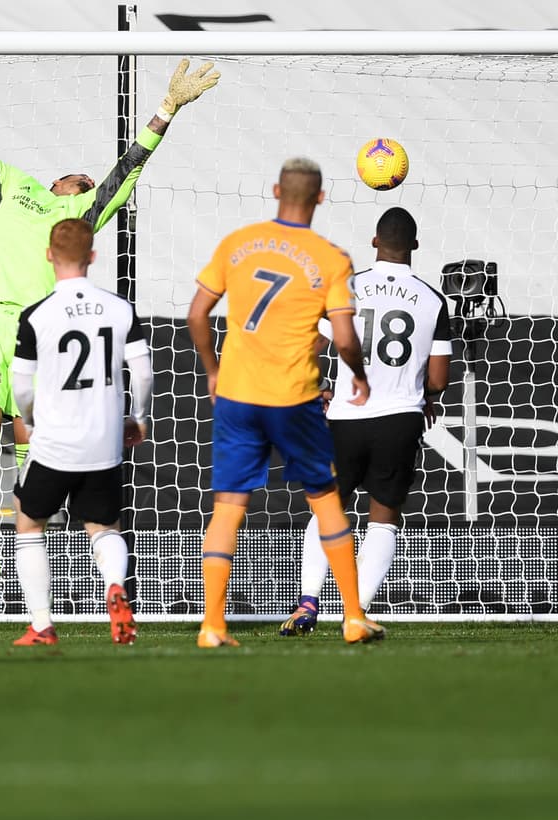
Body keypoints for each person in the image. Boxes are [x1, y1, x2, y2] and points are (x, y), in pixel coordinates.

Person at [0, 46, 218, 583]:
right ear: (58, 181)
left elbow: (128, 168)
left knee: (33, 445)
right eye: (82, 181)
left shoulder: (83, 213)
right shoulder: (15, 184)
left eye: (92, 189)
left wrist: (167, 108)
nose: (89, 187)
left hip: (36, 334)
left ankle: (30, 542)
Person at [186, 157, 386, 648]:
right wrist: (358, 375)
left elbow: (196, 313)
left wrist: (213, 371)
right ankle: (353, 618)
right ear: (320, 198)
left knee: (229, 507)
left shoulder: (237, 243)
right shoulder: (330, 257)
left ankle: (212, 626)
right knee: (326, 500)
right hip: (294, 398)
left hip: (236, 395)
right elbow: (343, 338)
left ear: (276, 190)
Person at [282, 207, 451, 634]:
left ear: (375, 242)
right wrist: (426, 396)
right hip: (399, 419)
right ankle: (354, 614)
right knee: (383, 518)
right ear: (414, 246)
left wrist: (315, 388)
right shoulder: (433, 299)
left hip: (346, 416)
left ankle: (307, 604)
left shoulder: (349, 287)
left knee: (329, 511)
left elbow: (313, 345)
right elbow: (437, 378)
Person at [9, 219, 152, 646]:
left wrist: (30, 419)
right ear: (93, 256)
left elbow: (20, 384)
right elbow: (142, 372)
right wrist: (138, 417)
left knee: (30, 524)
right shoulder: (120, 308)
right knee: (105, 526)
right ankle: (115, 587)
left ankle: (41, 625)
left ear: (49, 256)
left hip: (55, 442)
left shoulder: (36, 315)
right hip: (104, 441)